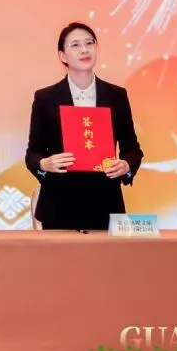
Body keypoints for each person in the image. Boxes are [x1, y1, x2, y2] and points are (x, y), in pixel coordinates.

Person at [24, 22, 143, 230]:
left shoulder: (116, 96)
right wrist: (44, 164)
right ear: (62, 56)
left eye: (89, 43)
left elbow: (132, 149)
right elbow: (32, 153)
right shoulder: (45, 98)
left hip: (105, 202)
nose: (84, 49)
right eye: (75, 45)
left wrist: (126, 166)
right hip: (59, 203)